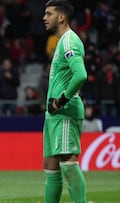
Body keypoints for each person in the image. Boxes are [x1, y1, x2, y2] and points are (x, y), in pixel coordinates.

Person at [42, 1, 88, 203]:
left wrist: (61, 100)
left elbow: (81, 75)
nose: (44, 17)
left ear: (61, 17)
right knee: (50, 167)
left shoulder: (70, 41)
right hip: (54, 114)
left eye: (48, 13)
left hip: (65, 112)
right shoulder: (61, 41)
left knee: (68, 164)